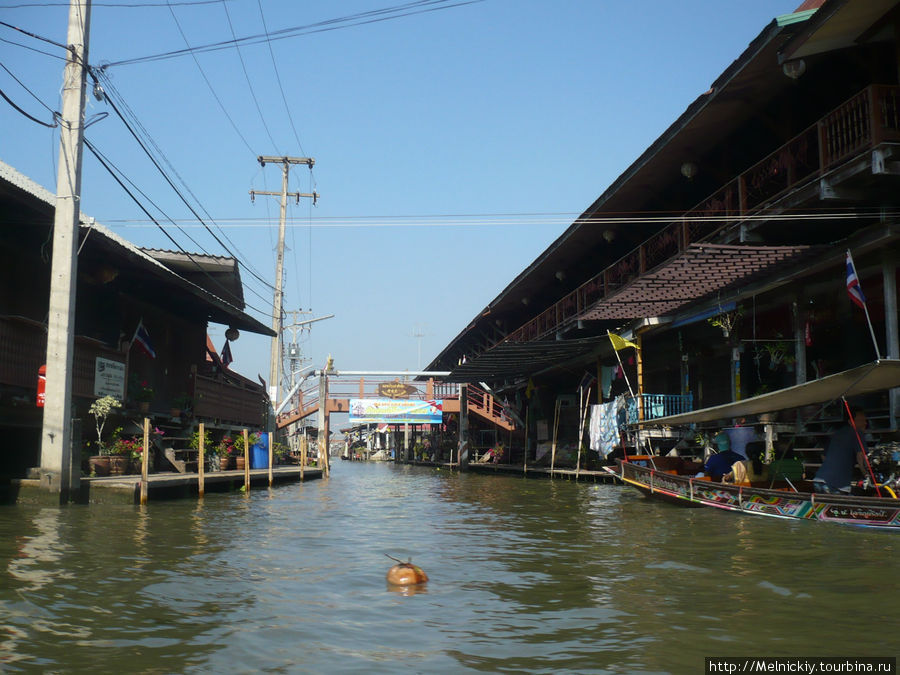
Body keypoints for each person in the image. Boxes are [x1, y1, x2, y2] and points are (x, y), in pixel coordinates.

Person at [813, 404, 868, 494]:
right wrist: (866, 475)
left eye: (865, 420)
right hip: (836, 485)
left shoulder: (837, 434)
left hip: (819, 479)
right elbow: (860, 456)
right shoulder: (857, 432)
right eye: (861, 420)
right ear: (851, 422)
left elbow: (823, 455)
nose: (865, 423)